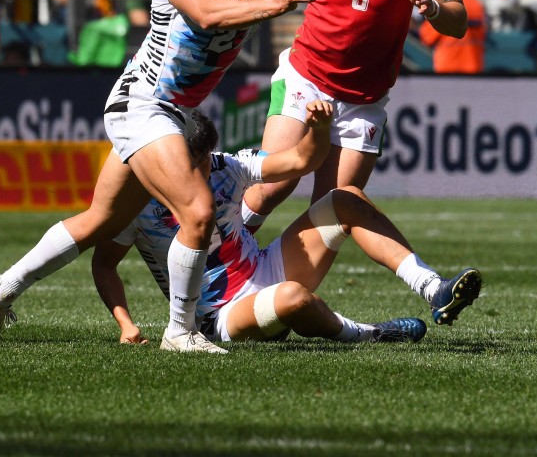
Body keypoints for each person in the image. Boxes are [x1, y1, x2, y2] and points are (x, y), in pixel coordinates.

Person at [0, 0, 315, 353]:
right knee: (196, 212)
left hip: (173, 114)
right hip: (144, 105)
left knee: (97, 221)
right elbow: (209, 14)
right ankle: (181, 332)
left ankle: (1, 288)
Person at [93, 107, 479, 347]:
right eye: (199, 160)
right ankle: (371, 333)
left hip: (264, 266)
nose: (210, 167)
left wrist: (320, 128)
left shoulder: (227, 166)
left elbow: (298, 159)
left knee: (344, 197)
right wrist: (126, 324)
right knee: (293, 297)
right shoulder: (137, 203)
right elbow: (104, 264)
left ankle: (432, 288)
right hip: (217, 316)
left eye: (210, 157)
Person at [239, 0, 470, 254]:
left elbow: (458, 20)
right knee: (272, 186)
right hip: (306, 78)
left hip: (364, 100)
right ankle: (214, 257)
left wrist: (432, 9)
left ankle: (273, 293)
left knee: (330, 214)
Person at [419, 0, 487, 74]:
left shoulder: (449, 2)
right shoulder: (477, 3)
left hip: (448, 67)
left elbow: (427, 37)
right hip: (475, 67)